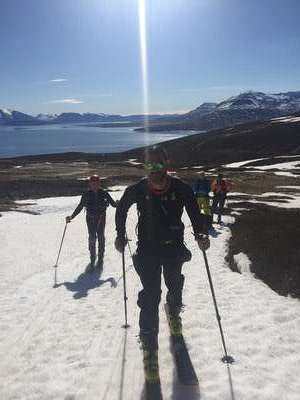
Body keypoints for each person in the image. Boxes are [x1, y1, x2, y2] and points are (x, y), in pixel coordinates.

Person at [114, 146, 210, 379]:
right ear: (145, 167)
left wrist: (200, 233)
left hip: (174, 248)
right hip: (147, 249)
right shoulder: (136, 190)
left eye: (159, 164)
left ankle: (174, 311)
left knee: (174, 283)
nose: (154, 170)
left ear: (167, 163)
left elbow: (194, 214)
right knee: (151, 293)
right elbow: (121, 209)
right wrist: (119, 233)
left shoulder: (182, 189)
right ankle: (149, 343)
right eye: (149, 165)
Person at [66, 175, 117, 271]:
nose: (95, 185)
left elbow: (113, 204)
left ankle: (100, 259)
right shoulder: (87, 194)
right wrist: (72, 216)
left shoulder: (104, 193)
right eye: (93, 183)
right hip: (90, 219)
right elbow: (80, 207)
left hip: (101, 218)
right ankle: (93, 258)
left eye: (97, 183)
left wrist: (119, 204)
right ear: (90, 184)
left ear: (99, 183)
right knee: (92, 237)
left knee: (100, 236)